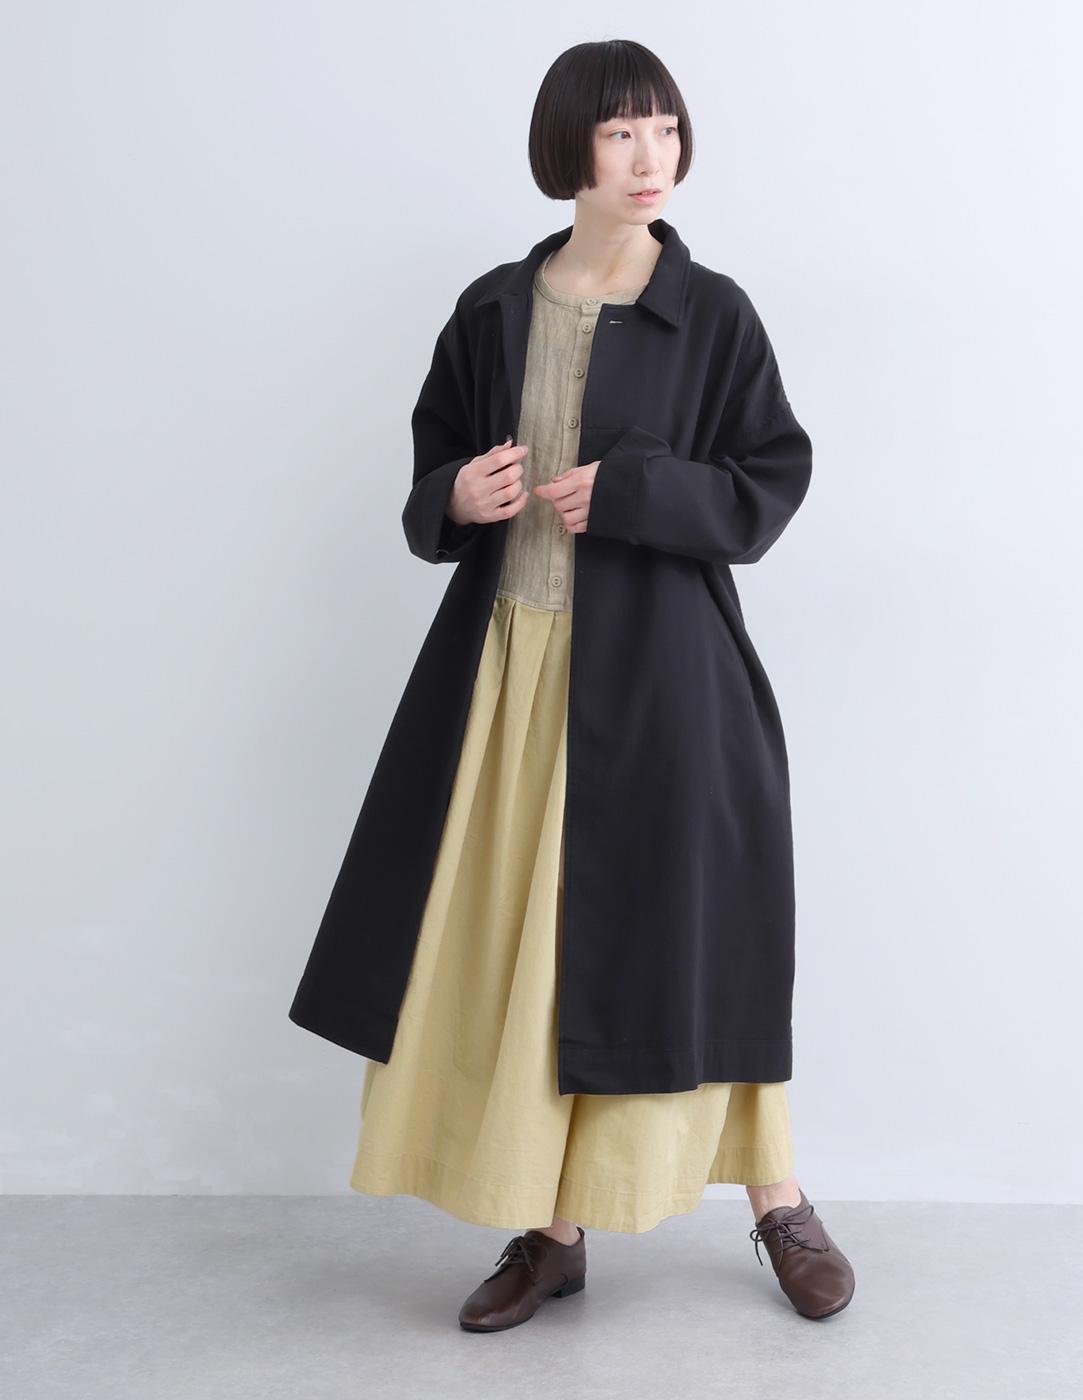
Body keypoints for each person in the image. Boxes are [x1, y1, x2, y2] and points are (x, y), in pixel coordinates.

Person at [296, 38, 855, 1330]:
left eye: (666, 128)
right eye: (620, 133)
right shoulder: (496, 307)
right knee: (534, 950)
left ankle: (778, 1199)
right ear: (569, 147)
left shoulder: (712, 312)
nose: (651, 157)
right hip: (508, 674)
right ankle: (552, 1231)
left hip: (664, 682)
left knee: (693, 941)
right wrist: (455, 495)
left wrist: (641, 491)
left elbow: (769, 484)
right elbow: (434, 463)